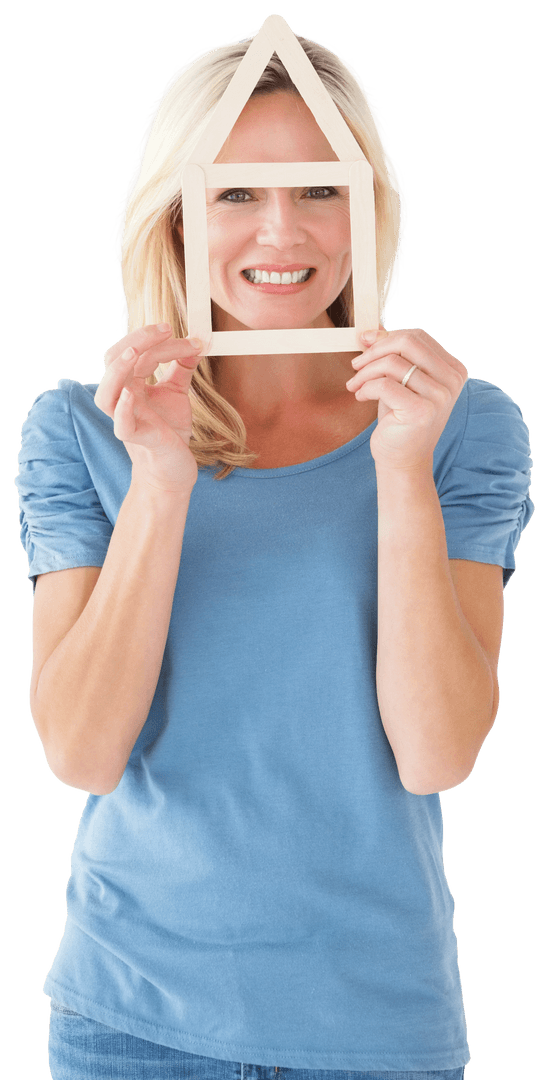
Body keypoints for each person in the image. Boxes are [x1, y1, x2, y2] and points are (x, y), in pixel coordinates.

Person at [15, 26, 534, 1080]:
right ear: (178, 212)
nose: (282, 230)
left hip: (378, 1025)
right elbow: (79, 752)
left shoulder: (463, 427)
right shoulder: (79, 430)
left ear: (366, 207)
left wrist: (398, 468)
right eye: (237, 194)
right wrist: (160, 483)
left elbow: (437, 753)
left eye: (318, 190)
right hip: (133, 1023)